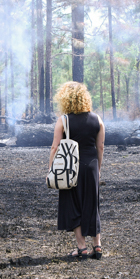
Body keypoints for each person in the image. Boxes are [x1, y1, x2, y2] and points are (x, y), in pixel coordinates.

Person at [49, 82, 105, 261]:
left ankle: (82, 248)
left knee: (73, 204)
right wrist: (99, 168)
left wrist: (52, 169)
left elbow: (55, 147)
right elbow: (101, 146)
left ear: (65, 99)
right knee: (92, 204)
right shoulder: (97, 119)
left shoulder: (63, 120)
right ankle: (97, 245)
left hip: (69, 168)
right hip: (91, 167)